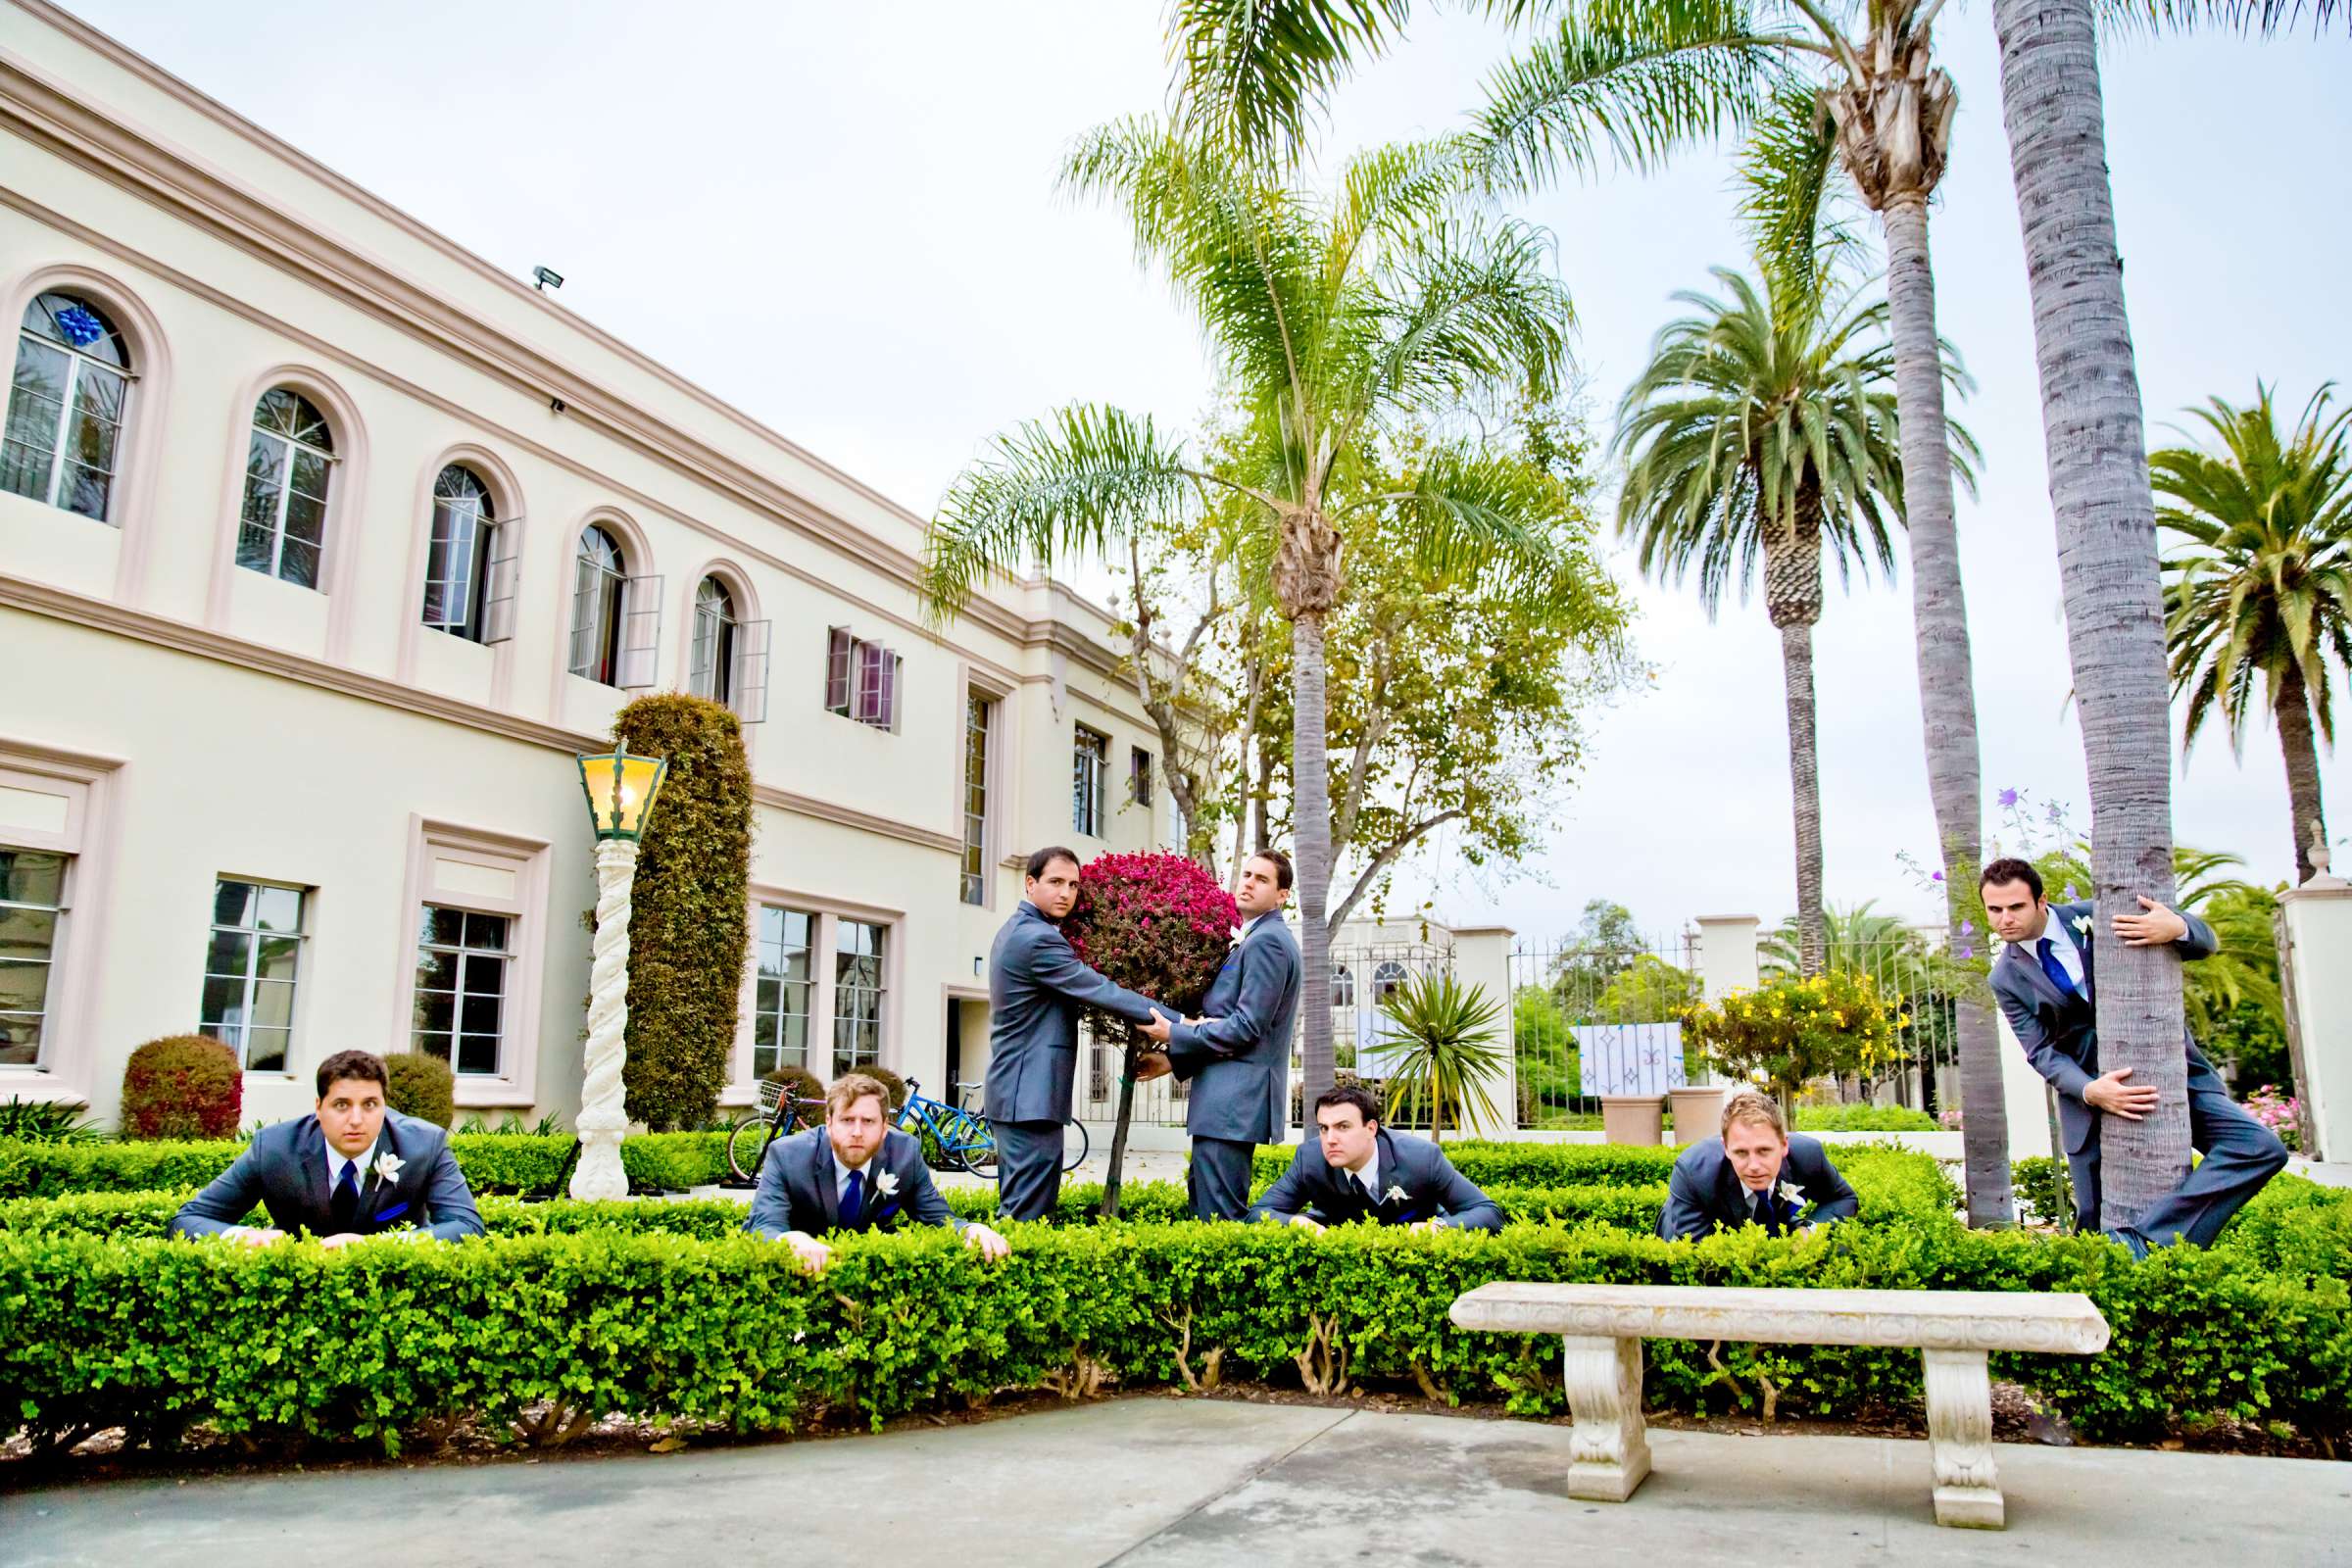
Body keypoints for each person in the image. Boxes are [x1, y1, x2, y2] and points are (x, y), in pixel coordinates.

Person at [1984, 857, 2286, 1256]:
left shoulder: (2099, 916)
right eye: (1995, 909)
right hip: (2090, 1102)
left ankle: (2154, 1241)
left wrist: (2177, 928)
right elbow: (2040, 1052)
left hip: (2171, 1076)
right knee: (2093, 1225)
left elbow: (2205, 938)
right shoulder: (2004, 977)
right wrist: (2091, 1090)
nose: (2005, 919)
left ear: (2042, 901)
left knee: (2260, 1148)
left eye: (2015, 907)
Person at [984, 847, 1176, 1220]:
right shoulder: (1038, 939)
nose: (1066, 893)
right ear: (1030, 883)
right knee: (1027, 1219)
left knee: (1019, 1213)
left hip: (1019, 1096)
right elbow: (1102, 990)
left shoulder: (1016, 930)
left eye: (1073, 885)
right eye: (1055, 882)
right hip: (1029, 1100)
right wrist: (1181, 1024)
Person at [1134, 849, 1300, 1220]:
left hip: (1233, 1104)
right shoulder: (1254, 938)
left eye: (1262, 879)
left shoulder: (1268, 942)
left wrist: (1174, 1034)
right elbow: (1226, 1022)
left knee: (1218, 1220)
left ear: (1282, 895)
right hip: (1226, 1104)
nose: (1249, 883)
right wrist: (1173, 1058)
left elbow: (1246, 1027)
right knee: (1207, 1213)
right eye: (1246, 875)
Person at [170, 1049, 483, 1244]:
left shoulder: (424, 1145)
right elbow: (187, 1220)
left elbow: (467, 1226)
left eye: (370, 1104)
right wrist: (245, 1237)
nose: (356, 1119)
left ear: (385, 1105)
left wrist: (377, 1246)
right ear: (319, 1107)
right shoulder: (275, 1147)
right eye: (342, 1105)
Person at [746, 1070, 1009, 1272]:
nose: (857, 1132)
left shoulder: (904, 1154)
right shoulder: (788, 1155)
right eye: (847, 1120)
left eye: (868, 1121)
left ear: (885, 1127)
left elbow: (938, 1217)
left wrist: (972, 1229)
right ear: (829, 1123)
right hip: (802, 1281)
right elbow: (763, 1225)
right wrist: (790, 1239)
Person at [1249, 1084, 1502, 1232]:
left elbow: (1488, 1211)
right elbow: (1258, 1213)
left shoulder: (1422, 1158)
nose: (1330, 1139)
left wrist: (1437, 1229)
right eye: (1324, 1128)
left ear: (1371, 1129)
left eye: (1343, 1127)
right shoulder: (1310, 1159)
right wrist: (1297, 1223)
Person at [1658, 1090, 1858, 1241]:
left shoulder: (1808, 1155)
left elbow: (1844, 1199)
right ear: (1726, 1148)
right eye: (1741, 1152)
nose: (1754, 1165)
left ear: (1783, 1145)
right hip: (1697, 1234)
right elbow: (1701, 1254)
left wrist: (1808, 1231)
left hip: (1772, 1225)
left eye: (1764, 1151)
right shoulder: (1693, 1172)